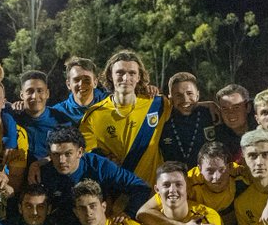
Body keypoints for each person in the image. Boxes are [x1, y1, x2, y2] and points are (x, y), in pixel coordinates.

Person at [32, 125, 152, 225]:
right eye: (56, 154)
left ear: (80, 152)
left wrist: (129, 212)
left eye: (68, 154)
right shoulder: (43, 174)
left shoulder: (100, 167)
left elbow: (140, 186)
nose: (61, 160)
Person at [81, 50, 170, 184]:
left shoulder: (158, 104)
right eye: (120, 72)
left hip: (153, 194)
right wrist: (105, 160)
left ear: (139, 77)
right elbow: (84, 157)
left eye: (132, 73)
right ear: (110, 75)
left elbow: (186, 106)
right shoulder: (94, 114)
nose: (125, 78)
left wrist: (209, 105)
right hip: (118, 196)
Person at [14, 70, 75, 165]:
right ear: (22, 95)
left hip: (49, 172)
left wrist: (42, 162)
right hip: (16, 173)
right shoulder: (13, 118)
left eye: (40, 91)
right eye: (30, 91)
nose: (35, 96)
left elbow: (68, 152)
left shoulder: (61, 120)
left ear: (47, 94)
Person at [158, 72, 216, 168]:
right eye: (178, 95)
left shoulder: (211, 114)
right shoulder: (163, 118)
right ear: (170, 98)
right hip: (175, 179)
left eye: (189, 93)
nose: (185, 99)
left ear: (197, 95)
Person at [50, 57, 108, 123]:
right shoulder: (57, 113)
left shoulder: (109, 106)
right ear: (68, 84)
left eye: (86, 79)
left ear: (95, 83)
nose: (81, 84)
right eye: (76, 80)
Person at [206, 84, 253, 161]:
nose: (231, 113)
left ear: (248, 107)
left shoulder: (261, 127)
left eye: (236, 107)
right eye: (225, 109)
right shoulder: (219, 135)